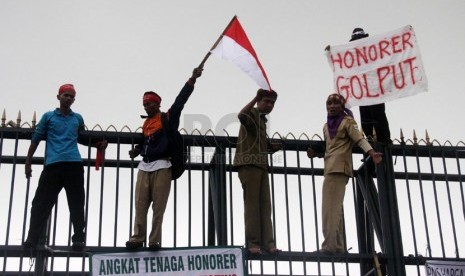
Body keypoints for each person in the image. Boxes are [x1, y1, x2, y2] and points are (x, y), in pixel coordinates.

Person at [125, 67, 203, 249]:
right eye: (145, 104)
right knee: (140, 205)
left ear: (158, 104)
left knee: (158, 208)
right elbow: (146, 142)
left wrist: (192, 79)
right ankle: (137, 238)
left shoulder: (168, 117)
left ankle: (154, 240)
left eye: (150, 104)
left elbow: (180, 101)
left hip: (163, 165)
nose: (147, 107)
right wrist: (137, 150)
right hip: (145, 166)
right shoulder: (145, 123)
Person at [23, 84, 107, 251]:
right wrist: (28, 161)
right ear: (58, 97)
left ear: (74, 99)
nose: (68, 98)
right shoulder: (48, 117)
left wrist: (98, 144)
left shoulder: (77, 118)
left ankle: (78, 239)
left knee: (76, 203)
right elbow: (36, 138)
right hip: (53, 165)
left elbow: (81, 138)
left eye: (71, 96)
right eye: (65, 95)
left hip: (74, 165)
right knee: (40, 203)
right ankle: (32, 238)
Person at [307, 93, 382, 254]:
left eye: (336, 103)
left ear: (342, 107)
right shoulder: (326, 126)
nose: (332, 106)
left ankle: (329, 247)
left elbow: (359, 139)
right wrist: (317, 154)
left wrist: (371, 152)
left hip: (340, 168)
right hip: (329, 167)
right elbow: (330, 147)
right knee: (334, 208)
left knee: (329, 209)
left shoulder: (347, 121)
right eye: (329, 103)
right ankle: (338, 246)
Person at [233, 89, 282, 255]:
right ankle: (253, 243)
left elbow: (256, 141)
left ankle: (269, 243)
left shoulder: (261, 120)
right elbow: (241, 116)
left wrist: (270, 147)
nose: (269, 105)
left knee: (265, 206)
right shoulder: (253, 113)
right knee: (252, 206)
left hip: (261, 165)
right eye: (266, 101)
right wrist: (255, 97)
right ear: (260, 101)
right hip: (249, 164)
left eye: (272, 103)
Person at [350, 27, 391, 144]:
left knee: (378, 116)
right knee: (366, 118)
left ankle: (383, 142)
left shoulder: (374, 54)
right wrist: (331, 51)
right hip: (363, 95)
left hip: (375, 92)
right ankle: (370, 142)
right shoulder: (351, 57)